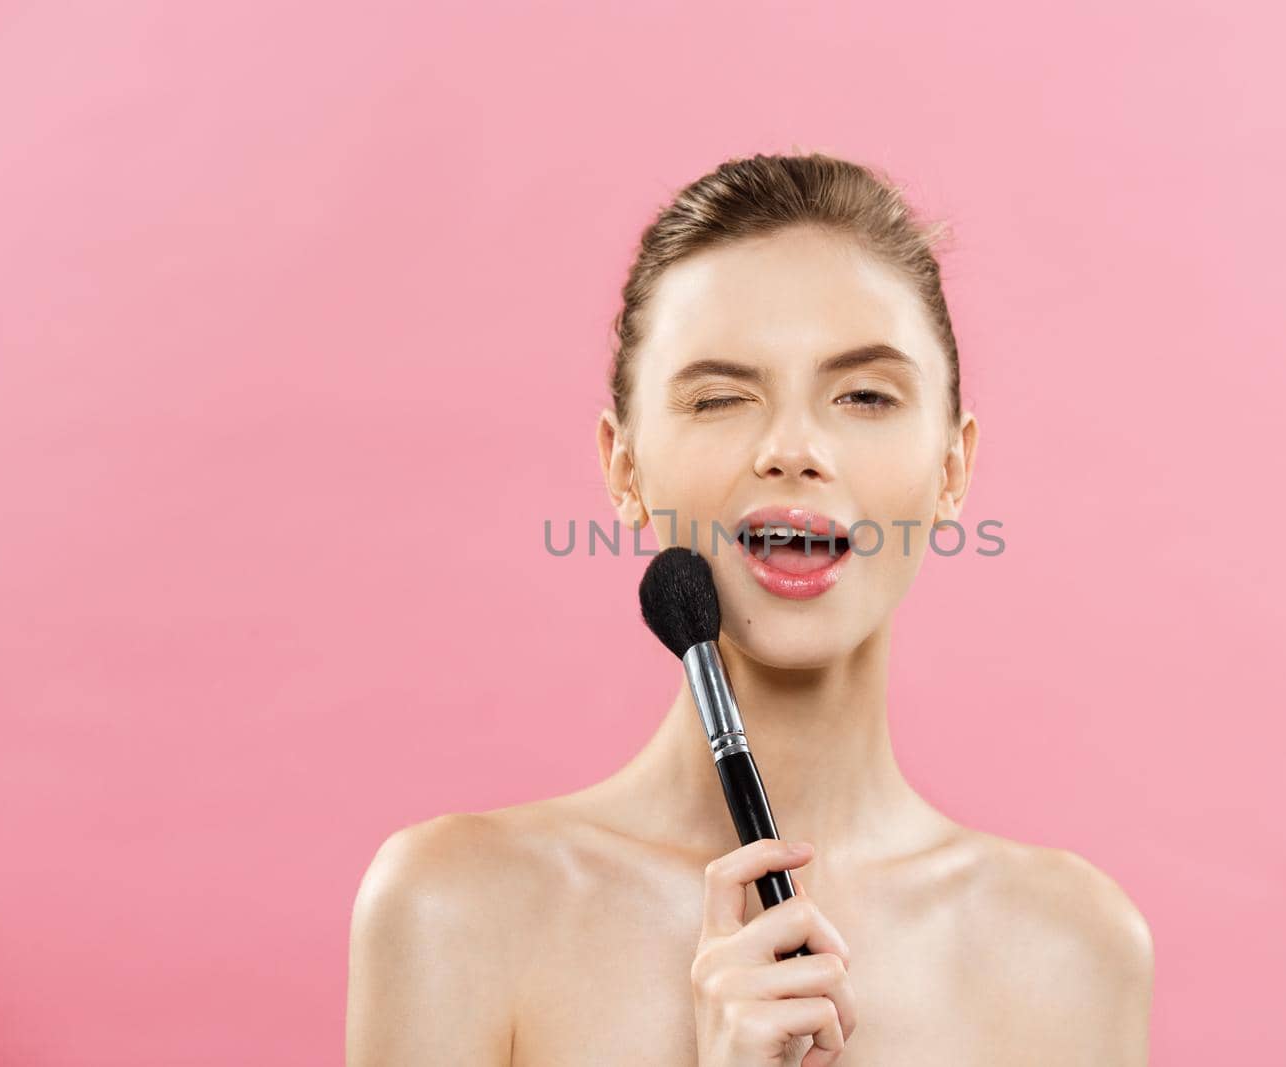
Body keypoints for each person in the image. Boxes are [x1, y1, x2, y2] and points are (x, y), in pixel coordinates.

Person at [346, 151, 1154, 1066]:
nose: (794, 447)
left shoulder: (1072, 949)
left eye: (863, 394)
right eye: (722, 397)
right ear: (624, 468)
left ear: (953, 468)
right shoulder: (457, 910)